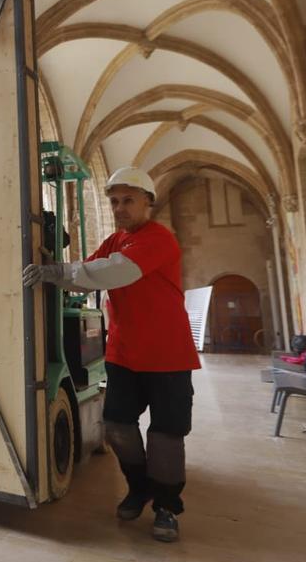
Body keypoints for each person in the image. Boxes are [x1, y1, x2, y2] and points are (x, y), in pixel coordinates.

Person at [23, 166, 199, 542]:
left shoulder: (159, 238)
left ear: (148, 202)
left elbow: (112, 272)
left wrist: (55, 271)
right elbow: (87, 270)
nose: (120, 208)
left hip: (167, 354)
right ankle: (138, 488)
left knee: (166, 435)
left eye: (128, 201)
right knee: (117, 426)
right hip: (124, 352)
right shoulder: (115, 239)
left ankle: (166, 506)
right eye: (114, 201)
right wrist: (50, 258)